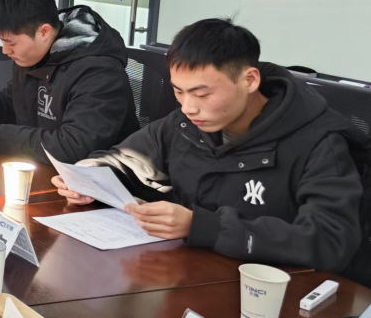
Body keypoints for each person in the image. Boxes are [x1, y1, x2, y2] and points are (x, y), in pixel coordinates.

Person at [53, 19, 370, 279]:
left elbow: (330, 240)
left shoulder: (319, 142)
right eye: (179, 91)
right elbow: (127, 159)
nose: (188, 107)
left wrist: (203, 226)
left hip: (279, 292)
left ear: (249, 80)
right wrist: (86, 177)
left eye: (202, 94)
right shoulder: (185, 124)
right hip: (190, 275)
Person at [0, 0, 139, 164]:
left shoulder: (99, 73)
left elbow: (74, 146)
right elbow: (14, 101)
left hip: (97, 181)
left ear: (44, 32)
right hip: (45, 170)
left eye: (11, 43)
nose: (5, 51)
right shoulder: (37, 56)